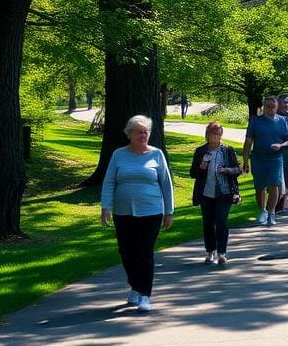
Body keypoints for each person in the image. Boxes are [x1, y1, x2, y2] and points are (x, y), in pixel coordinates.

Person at [101, 115, 174, 312]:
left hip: (151, 211)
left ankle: (144, 294)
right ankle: (135, 286)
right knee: (126, 252)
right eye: (139, 132)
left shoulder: (156, 154)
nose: (143, 135)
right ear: (129, 134)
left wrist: (169, 211)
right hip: (123, 211)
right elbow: (109, 182)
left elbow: (166, 184)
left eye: (146, 131)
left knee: (144, 252)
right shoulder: (119, 154)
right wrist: (105, 207)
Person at [189, 121, 242, 265]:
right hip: (206, 192)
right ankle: (210, 251)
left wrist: (226, 170)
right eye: (212, 133)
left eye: (217, 133)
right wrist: (201, 167)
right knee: (208, 222)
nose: (214, 136)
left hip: (224, 192)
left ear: (221, 135)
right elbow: (193, 173)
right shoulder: (201, 151)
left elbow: (237, 170)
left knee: (221, 220)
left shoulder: (227, 150)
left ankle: (222, 252)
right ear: (206, 135)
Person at [242, 96, 288, 226]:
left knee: (274, 185)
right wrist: (245, 160)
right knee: (259, 186)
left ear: (277, 107)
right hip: (258, 158)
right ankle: (262, 211)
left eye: (273, 106)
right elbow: (248, 142)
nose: (270, 109)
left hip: (275, 159)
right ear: (263, 107)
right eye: (268, 106)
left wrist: (281, 145)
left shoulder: (281, 121)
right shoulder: (255, 121)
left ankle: (272, 212)